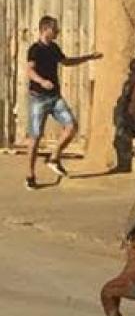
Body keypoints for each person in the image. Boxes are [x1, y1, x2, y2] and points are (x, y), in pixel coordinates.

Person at [24, 15, 102, 189]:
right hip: (38, 98)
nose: (58, 32)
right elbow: (29, 71)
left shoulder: (54, 48)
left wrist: (88, 57)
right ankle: (30, 174)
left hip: (54, 97)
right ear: (45, 30)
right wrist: (41, 81)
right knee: (35, 137)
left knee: (71, 126)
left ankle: (54, 156)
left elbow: (66, 62)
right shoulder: (35, 49)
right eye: (55, 29)